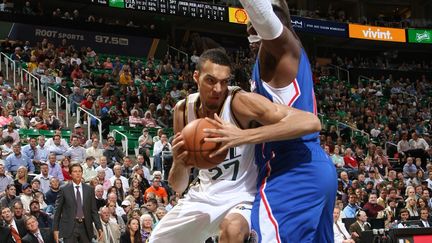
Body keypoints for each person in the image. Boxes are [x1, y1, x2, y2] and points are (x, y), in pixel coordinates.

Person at [149, 49, 321, 243]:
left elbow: (311, 122)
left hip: (242, 197)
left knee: (232, 230)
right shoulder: (182, 110)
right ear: (196, 77)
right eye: (211, 80)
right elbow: (178, 186)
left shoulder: (240, 102)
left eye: (224, 82)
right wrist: (180, 162)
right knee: (156, 239)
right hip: (202, 196)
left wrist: (243, 136)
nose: (218, 89)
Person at [214, 0, 337, 242]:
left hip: (292, 172)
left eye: (252, 27)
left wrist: (242, 136)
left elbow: (261, 12)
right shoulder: (271, 61)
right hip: (310, 167)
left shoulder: (282, 47)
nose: (248, 33)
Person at [53, 163, 103, 243]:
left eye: (79, 171)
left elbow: (94, 211)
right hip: (69, 227)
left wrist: (99, 227)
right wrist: (55, 229)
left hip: (85, 227)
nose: (78, 173)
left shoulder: (89, 189)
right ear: (70, 174)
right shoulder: (64, 190)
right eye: (75, 171)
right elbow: (57, 211)